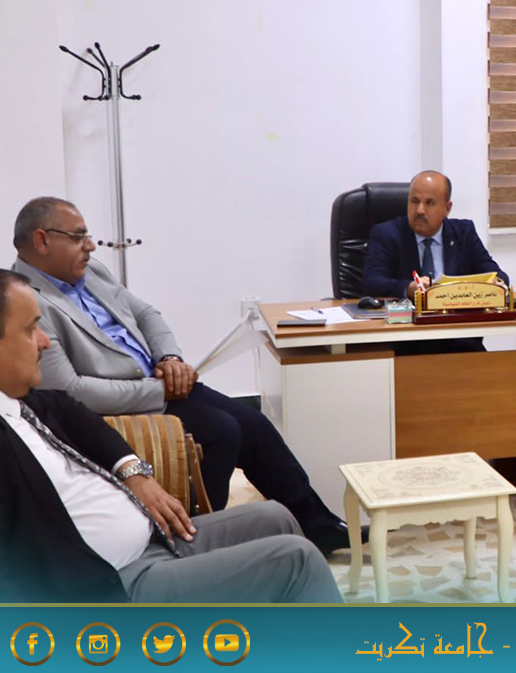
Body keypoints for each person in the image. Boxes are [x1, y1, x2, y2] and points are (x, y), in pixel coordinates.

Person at [11, 197, 351, 555]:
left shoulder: (90, 272)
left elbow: (146, 314)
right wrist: (159, 390)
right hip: (124, 406)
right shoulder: (28, 299)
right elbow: (70, 390)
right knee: (221, 432)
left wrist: (170, 358)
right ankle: (197, 541)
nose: (91, 246)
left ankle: (319, 526)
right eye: (78, 237)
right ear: (42, 240)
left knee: (254, 425)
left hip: (160, 384)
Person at [0, 270, 343, 603]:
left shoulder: (25, 401)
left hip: (154, 539)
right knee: (296, 560)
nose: (44, 340)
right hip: (112, 585)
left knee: (276, 516)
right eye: (30, 329)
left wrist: (134, 472)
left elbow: (77, 414)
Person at [362, 170, 508, 354]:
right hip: (406, 341)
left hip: (459, 339)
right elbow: (371, 282)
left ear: (447, 208)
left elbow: (499, 277)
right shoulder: (387, 234)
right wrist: (407, 288)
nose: (419, 210)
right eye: (414, 201)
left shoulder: (464, 233)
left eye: (429, 203)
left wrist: (492, 284)